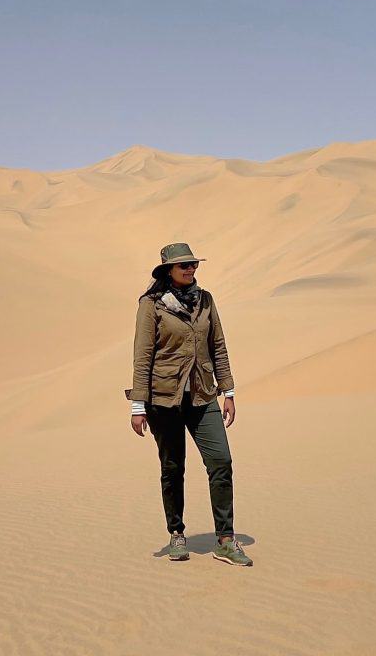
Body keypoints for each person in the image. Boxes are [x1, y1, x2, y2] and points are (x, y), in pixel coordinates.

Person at [127, 242, 253, 567]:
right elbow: (142, 357)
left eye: (193, 264)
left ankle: (225, 539)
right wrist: (138, 406)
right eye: (183, 265)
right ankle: (177, 535)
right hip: (163, 400)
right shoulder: (152, 305)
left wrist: (228, 390)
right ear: (168, 270)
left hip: (202, 395)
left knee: (221, 461)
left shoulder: (205, 300)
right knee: (173, 468)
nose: (190, 269)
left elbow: (219, 346)